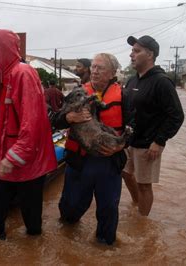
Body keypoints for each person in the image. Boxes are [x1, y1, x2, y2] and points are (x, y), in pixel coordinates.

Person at [0, 29, 57, 240]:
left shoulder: (23, 74)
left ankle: (33, 253)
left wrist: (14, 157)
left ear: (1, 49)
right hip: (4, 162)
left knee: (32, 226)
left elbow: (33, 121)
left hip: (27, 165)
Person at [53, 53, 130, 245]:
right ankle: (66, 240)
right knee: (70, 209)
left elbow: (137, 127)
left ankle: (105, 247)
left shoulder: (125, 96)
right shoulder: (77, 94)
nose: (94, 71)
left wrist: (121, 145)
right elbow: (54, 120)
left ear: (112, 73)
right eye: (93, 67)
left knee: (108, 208)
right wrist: (69, 118)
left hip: (108, 161)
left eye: (100, 68)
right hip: (79, 161)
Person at [122, 35, 184, 216]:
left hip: (149, 145)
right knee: (125, 174)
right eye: (132, 51)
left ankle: (142, 223)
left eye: (136, 51)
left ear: (150, 55)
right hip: (129, 141)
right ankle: (136, 204)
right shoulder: (132, 81)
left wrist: (159, 141)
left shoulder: (162, 82)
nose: (131, 55)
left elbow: (176, 116)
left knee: (144, 185)